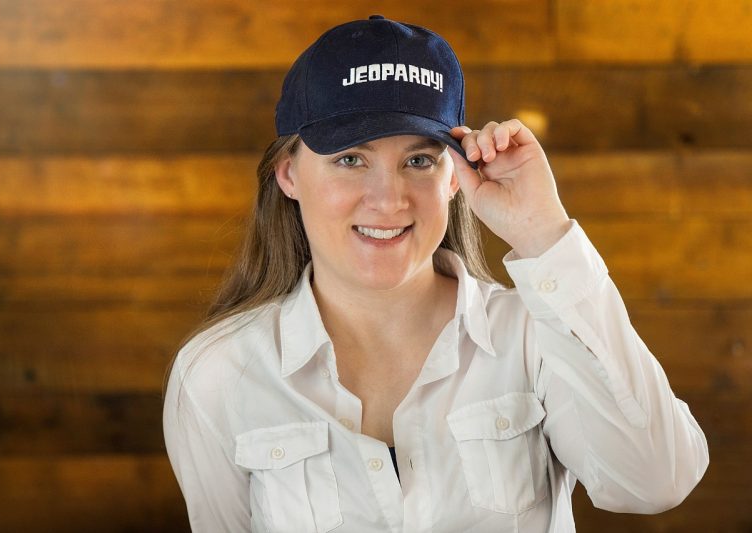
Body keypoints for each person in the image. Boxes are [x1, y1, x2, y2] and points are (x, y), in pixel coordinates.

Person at [162, 15, 708, 533]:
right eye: (350, 159)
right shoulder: (216, 373)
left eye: (419, 160)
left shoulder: (532, 337)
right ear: (288, 174)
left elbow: (657, 481)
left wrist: (543, 232)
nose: (389, 199)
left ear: (456, 178)